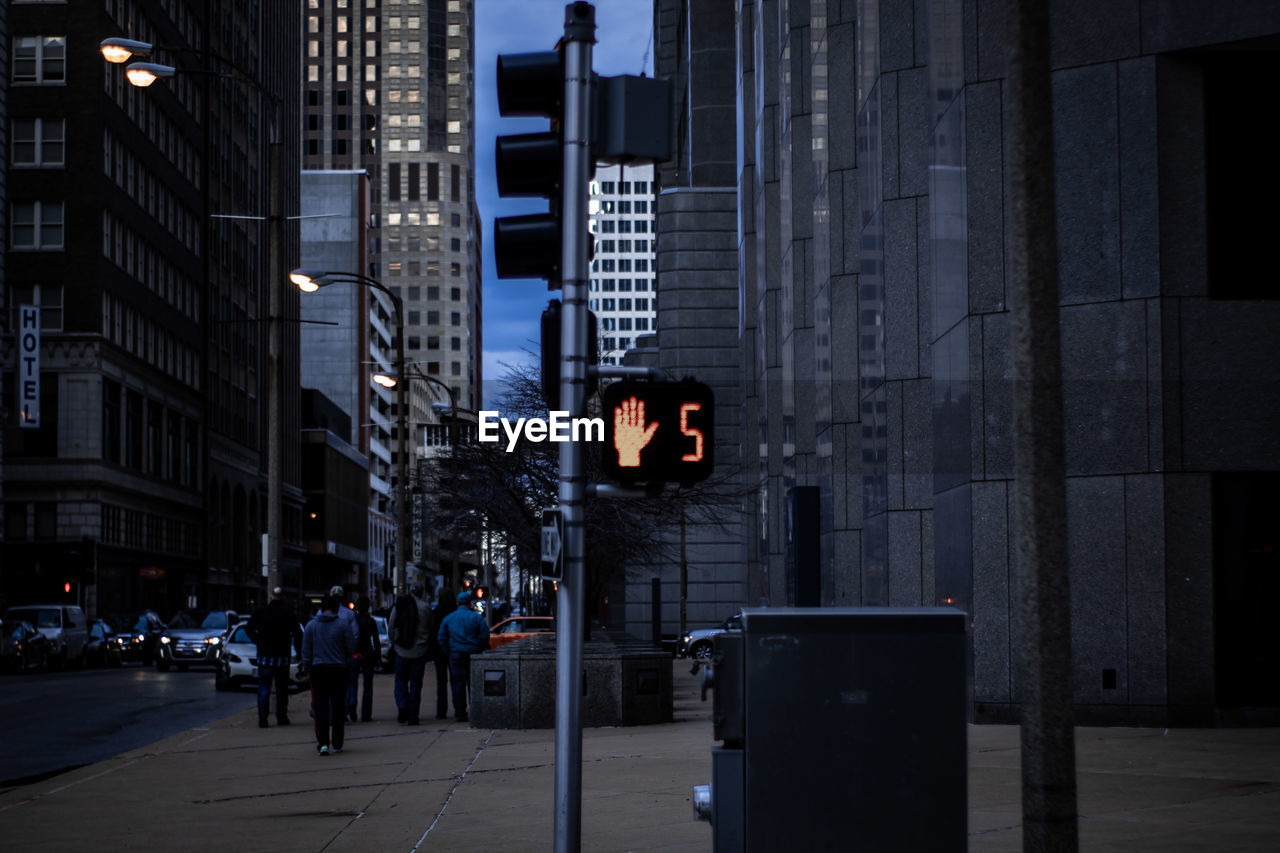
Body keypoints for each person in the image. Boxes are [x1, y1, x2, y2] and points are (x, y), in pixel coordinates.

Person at [302, 594, 356, 756]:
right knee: (338, 708)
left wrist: (308, 666)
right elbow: (351, 647)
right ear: (337, 609)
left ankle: (323, 743)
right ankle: (337, 743)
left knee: (320, 708)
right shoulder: (343, 625)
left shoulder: (311, 626)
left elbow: (306, 651)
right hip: (338, 669)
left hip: (318, 670)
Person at [246, 587, 303, 728]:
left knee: (264, 687)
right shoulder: (289, 614)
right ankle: (281, 716)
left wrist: (258, 641)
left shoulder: (260, 612)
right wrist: (299, 653)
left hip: (264, 654)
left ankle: (263, 718)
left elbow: (249, 629)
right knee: (281, 688)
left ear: (270, 596)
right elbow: (297, 634)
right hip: (282, 655)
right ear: (283, 597)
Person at [437, 591, 490, 723]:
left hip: (456, 655)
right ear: (469, 602)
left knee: (457, 684)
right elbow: (484, 635)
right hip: (473, 653)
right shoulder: (476, 618)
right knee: (473, 683)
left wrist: (448, 651)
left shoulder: (449, 618)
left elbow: (441, 638)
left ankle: (460, 712)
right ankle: (475, 710)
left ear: (458, 603)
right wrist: (479, 647)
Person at [388, 583, 433, 725]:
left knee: (400, 681)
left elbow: (391, 626)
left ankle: (402, 705)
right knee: (415, 685)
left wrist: (395, 642)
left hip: (401, 650)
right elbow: (431, 628)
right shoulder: (426, 608)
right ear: (422, 592)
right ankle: (413, 715)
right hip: (419, 651)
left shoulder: (400, 605)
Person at [347, 595, 381, 722]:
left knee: (352, 684)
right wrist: (378, 658)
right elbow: (375, 640)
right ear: (368, 607)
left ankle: (352, 704)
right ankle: (366, 714)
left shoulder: (353, 620)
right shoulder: (371, 621)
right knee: (368, 686)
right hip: (368, 655)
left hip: (354, 655)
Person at [431, 588, 458, 719]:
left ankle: (441, 711)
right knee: (456, 681)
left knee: (441, 682)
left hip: (439, 651)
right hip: (454, 649)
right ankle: (459, 709)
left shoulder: (435, 612)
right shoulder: (455, 612)